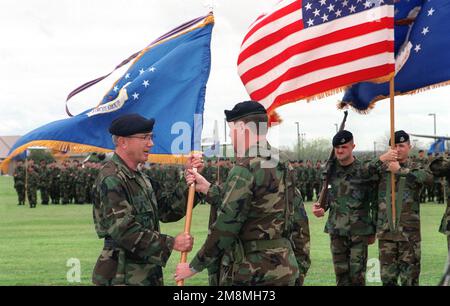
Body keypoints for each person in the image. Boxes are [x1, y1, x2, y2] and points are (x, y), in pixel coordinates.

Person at [175, 101, 310, 286]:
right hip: (285, 268)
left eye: (231, 130)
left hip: (252, 272)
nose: (230, 136)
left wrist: (194, 266)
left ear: (241, 128)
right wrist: (208, 189)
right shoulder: (282, 161)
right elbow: (296, 217)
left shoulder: (245, 167)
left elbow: (227, 224)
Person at [91, 113, 200, 286]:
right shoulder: (111, 178)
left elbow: (168, 209)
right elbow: (123, 231)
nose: (151, 143)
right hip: (122, 274)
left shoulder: (141, 178)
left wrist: (191, 181)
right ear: (123, 142)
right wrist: (172, 243)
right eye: (144, 138)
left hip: (145, 273)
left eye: (151, 137)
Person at [312, 130, 377, 286]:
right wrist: (320, 208)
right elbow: (326, 196)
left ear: (353, 146)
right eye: (337, 147)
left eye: (344, 147)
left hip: (359, 231)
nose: (340, 151)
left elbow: (375, 202)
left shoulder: (364, 171)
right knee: (341, 277)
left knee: (357, 276)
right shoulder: (330, 170)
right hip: (336, 231)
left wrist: (374, 229)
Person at [375, 130, 433, 286]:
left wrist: (400, 171)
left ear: (409, 147)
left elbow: (427, 179)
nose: (398, 149)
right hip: (386, 234)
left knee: (410, 280)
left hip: (409, 235)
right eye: (394, 146)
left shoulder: (416, 167)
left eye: (401, 145)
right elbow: (362, 173)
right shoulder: (380, 169)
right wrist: (383, 161)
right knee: (387, 280)